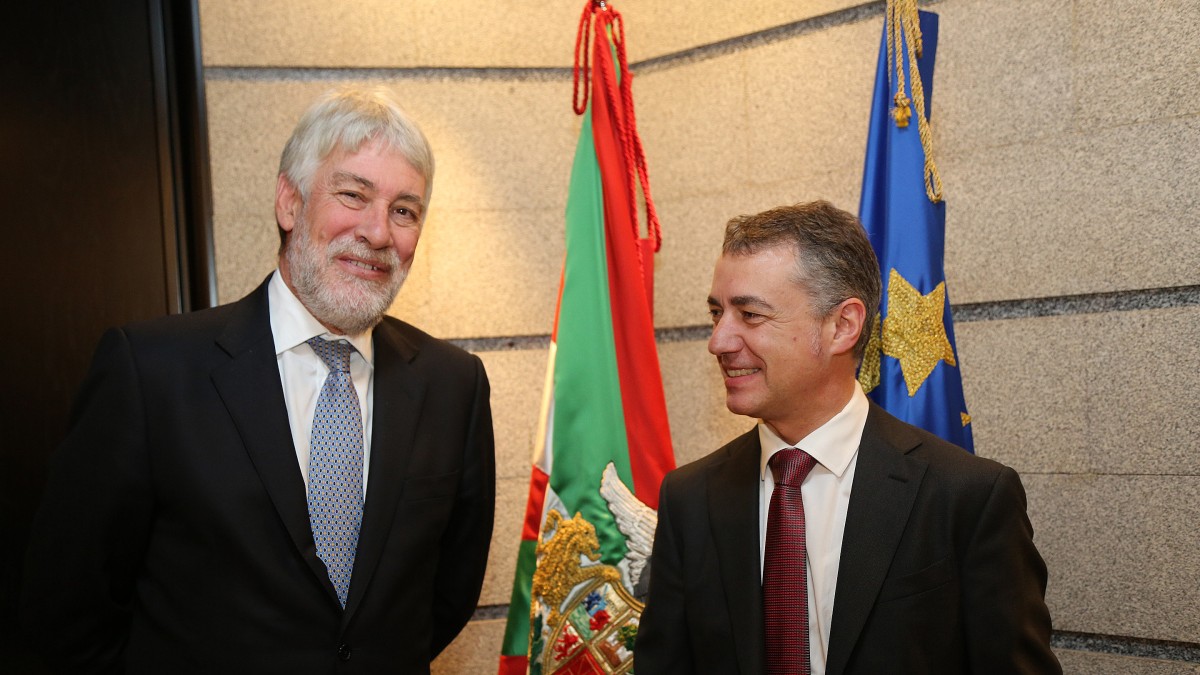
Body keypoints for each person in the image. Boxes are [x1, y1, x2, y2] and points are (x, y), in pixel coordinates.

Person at [21, 86, 496, 674]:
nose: (378, 233)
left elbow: (446, 595)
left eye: (404, 210)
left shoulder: (455, 386)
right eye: (353, 194)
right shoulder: (151, 372)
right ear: (290, 203)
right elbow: (66, 614)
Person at [636, 201, 1059, 674]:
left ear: (842, 326)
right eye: (718, 313)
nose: (719, 341)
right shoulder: (691, 499)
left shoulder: (965, 496)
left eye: (750, 315)